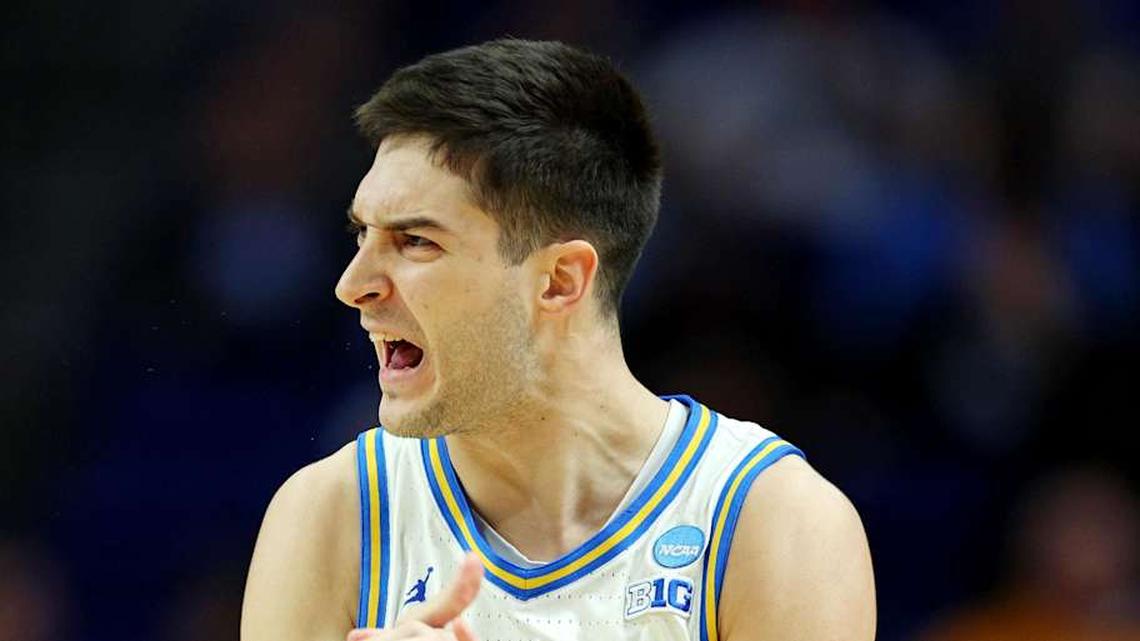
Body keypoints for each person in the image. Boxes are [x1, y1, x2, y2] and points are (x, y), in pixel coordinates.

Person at [240, 38, 875, 641]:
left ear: (559, 281)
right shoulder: (330, 517)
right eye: (361, 236)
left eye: (415, 242)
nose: (354, 285)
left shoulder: (772, 521)